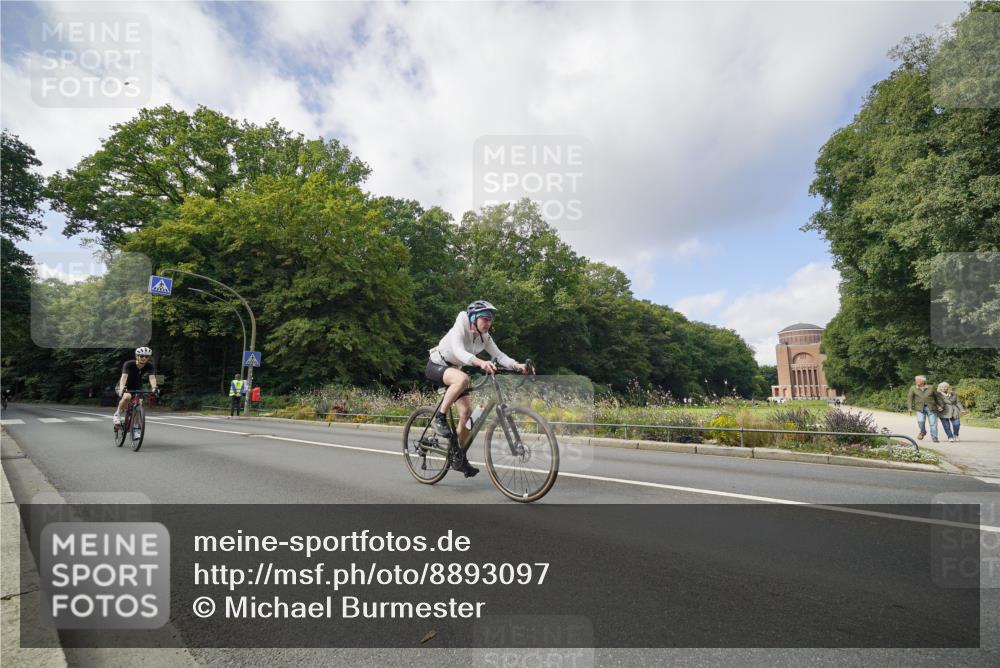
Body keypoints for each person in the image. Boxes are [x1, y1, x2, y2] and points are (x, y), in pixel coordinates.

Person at [425, 300, 531, 478]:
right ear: (473, 318)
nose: (488, 322)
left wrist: (517, 365)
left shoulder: (485, 337)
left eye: (490, 319)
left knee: (467, 413)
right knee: (464, 379)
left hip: (454, 370)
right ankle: (439, 417)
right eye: (484, 318)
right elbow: (458, 351)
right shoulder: (461, 324)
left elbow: (499, 355)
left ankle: (458, 456)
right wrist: (481, 362)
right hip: (437, 364)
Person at [114, 347, 159, 425]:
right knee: (127, 397)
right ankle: (117, 414)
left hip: (137, 386)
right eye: (141, 356)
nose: (144, 358)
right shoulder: (129, 364)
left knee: (139, 404)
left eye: (146, 356)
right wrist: (122, 388)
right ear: (137, 356)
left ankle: (136, 428)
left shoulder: (150, 365)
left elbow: (152, 378)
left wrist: (154, 387)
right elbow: (124, 377)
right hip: (124, 385)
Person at [907, 375, 941, 443]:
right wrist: (909, 408)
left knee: (933, 423)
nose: (916, 381)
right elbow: (910, 398)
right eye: (916, 380)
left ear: (923, 381)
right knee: (920, 421)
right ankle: (923, 432)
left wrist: (939, 405)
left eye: (918, 380)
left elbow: (936, 397)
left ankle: (934, 437)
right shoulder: (913, 388)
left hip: (931, 408)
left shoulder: (931, 387)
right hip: (919, 408)